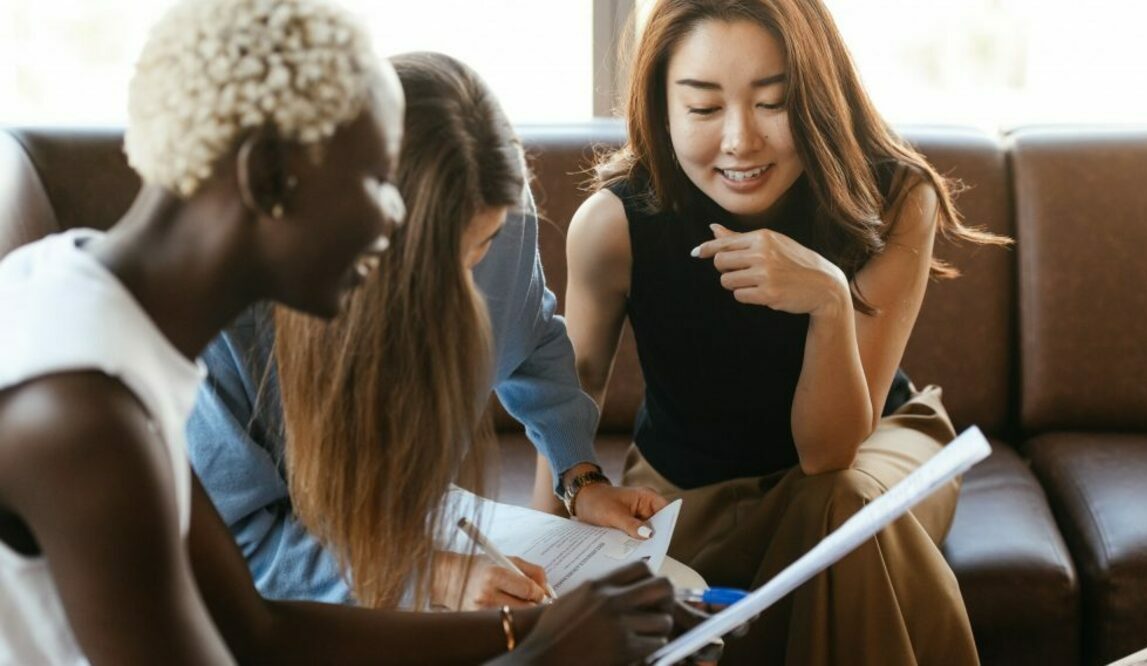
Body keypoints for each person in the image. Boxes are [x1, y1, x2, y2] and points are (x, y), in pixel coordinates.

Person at [0, 0, 676, 663]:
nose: (391, 222)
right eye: (378, 178)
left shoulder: (100, 316)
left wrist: (531, 632)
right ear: (269, 178)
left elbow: (257, 632)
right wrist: (548, 652)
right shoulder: (80, 418)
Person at [542, 0, 1012, 663]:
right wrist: (537, 562)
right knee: (830, 523)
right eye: (704, 109)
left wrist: (828, 302)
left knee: (838, 509)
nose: (740, 140)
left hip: (873, 454)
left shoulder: (898, 199)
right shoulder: (613, 224)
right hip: (689, 483)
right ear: (661, 107)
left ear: (818, 96)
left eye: (773, 103)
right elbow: (570, 390)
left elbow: (829, 453)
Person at [186, 51, 670, 609]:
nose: (465, 290)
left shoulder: (503, 220)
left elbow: (532, 340)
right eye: (438, 263)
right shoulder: (228, 314)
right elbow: (238, 547)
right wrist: (433, 577)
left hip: (416, 532)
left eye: (482, 247)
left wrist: (581, 478)